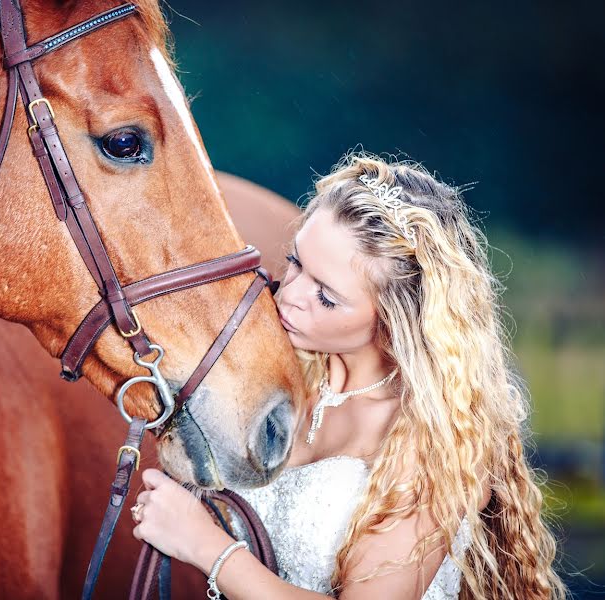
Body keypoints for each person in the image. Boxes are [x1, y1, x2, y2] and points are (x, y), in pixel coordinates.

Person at [130, 153, 566, 599]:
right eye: (295, 262)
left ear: (395, 321)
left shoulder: (432, 440)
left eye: (327, 297)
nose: (290, 295)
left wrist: (206, 546)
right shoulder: (276, 376)